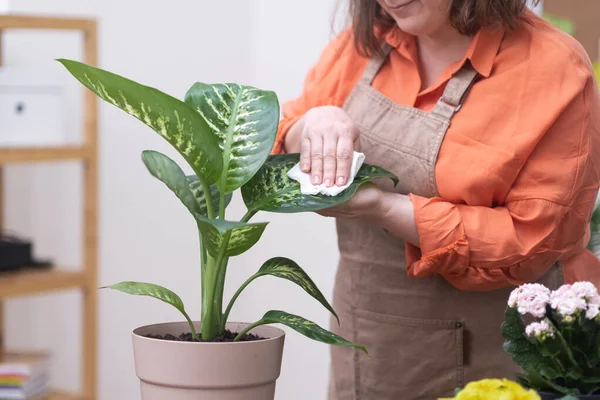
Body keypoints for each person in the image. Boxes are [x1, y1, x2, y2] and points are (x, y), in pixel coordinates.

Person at [273, 0, 600, 399]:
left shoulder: (554, 67)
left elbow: (534, 239)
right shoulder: (366, 44)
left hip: (497, 359)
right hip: (369, 349)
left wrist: (385, 209)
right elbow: (286, 133)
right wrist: (314, 123)